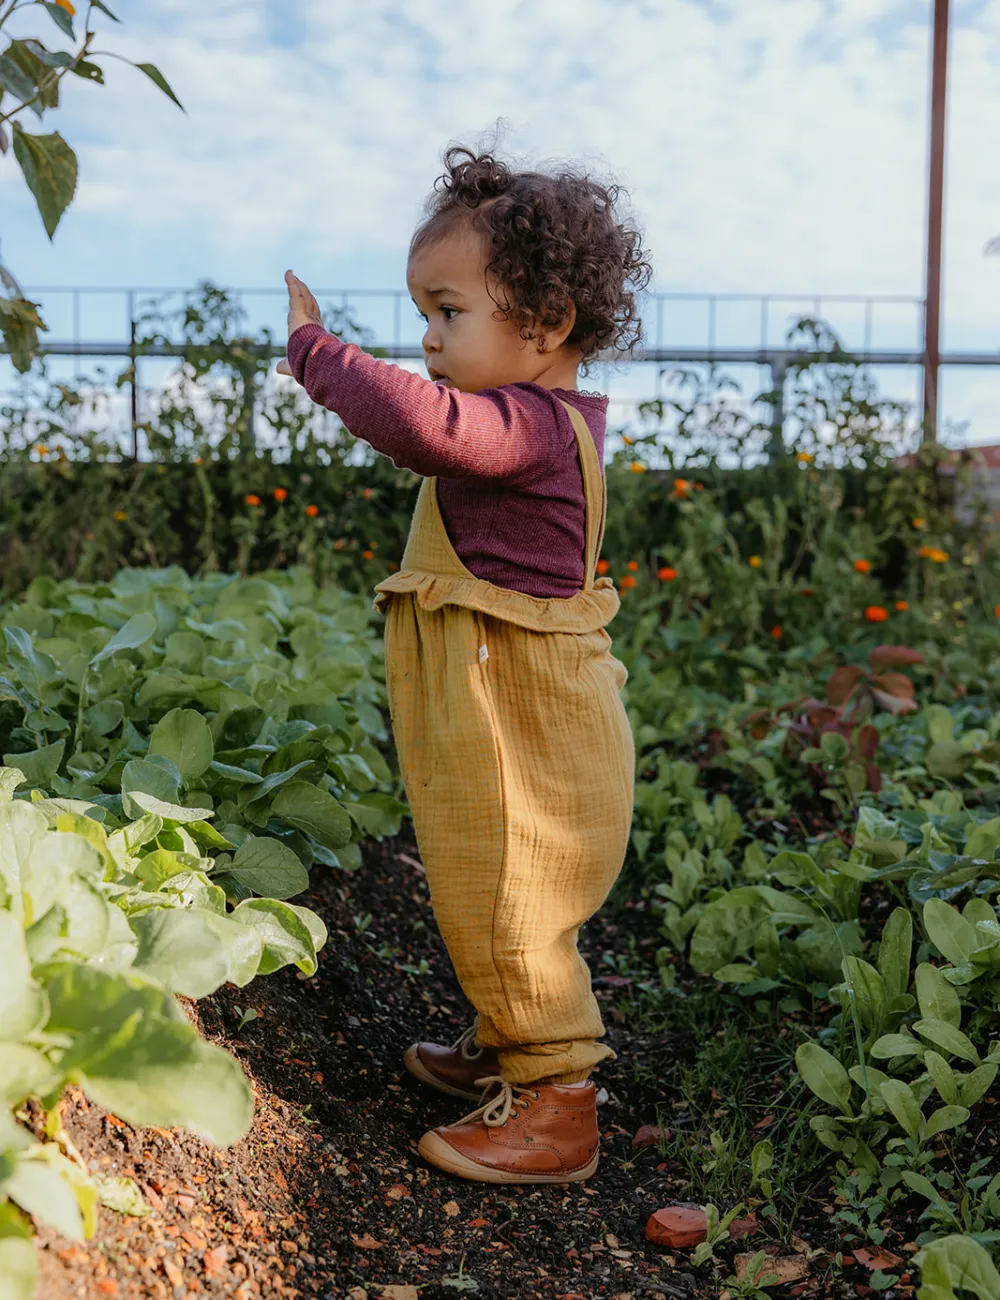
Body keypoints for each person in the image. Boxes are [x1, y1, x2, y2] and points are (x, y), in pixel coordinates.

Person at [277, 141, 649, 1185]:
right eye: (425, 316)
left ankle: (557, 1098)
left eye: (449, 312)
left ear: (546, 325)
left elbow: (421, 424)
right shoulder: (535, 416)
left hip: (519, 716)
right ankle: (506, 1038)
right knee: (490, 879)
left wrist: (318, 352)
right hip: (502, 700)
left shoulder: (525, 426)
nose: (430, 341)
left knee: (512, 894)